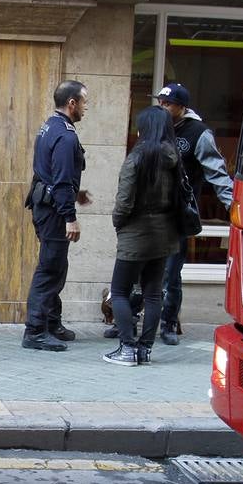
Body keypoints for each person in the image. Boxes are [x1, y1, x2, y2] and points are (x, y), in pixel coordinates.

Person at [156, 83, 233, 346]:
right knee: (141, 268)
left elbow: (217, 172)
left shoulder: (199, 133)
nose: (163, 107)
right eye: (160, 102)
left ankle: (168, 324)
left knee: (170, 272)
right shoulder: (156, 127)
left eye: (168, 104)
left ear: (182, 107)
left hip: (178, 213)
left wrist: (233, 205)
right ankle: (130, 320)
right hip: (151, 213)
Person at [105, 105, 181, 366]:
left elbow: (124, 202)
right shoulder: (173, 159)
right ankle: (144, 351)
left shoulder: (136, 159)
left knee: (119, 291)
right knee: (153, 294)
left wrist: (118, 223)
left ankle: (127, 348)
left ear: (144, 129)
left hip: (135, 232)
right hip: (164, 233)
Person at [21, 80, 92, 352]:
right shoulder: (66, 136)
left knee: (55, 266)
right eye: (84, 102)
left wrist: (76, 193)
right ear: (72, 103)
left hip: (45, 205)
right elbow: (60, 181)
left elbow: (50, 174)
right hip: (53, 212)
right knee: (50, 269)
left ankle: (52, 322)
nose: (86, 107)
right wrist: (70, 217)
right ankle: (35, 331)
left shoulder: (49, 126)